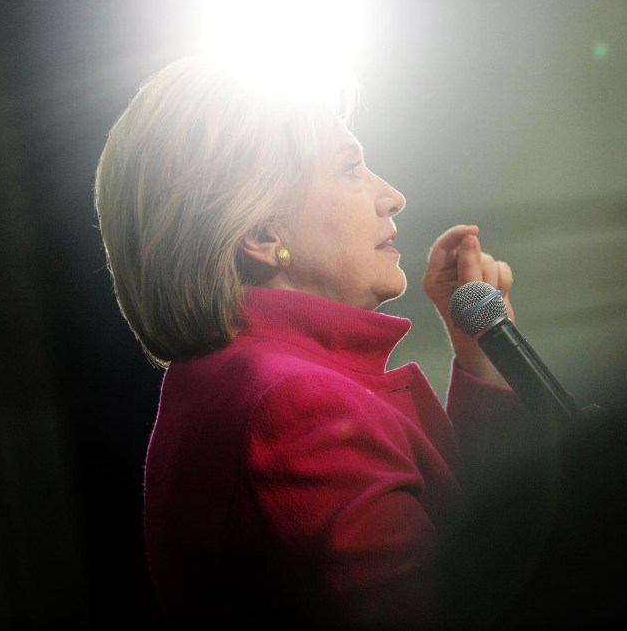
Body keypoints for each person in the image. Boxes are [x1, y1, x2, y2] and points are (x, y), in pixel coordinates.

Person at [93, 55, 544, 628]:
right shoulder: (295, 407)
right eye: (350, 169)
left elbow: (476, 553)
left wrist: (481, 352)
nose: (393, 195)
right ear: (262, 233)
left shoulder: (234, 384)